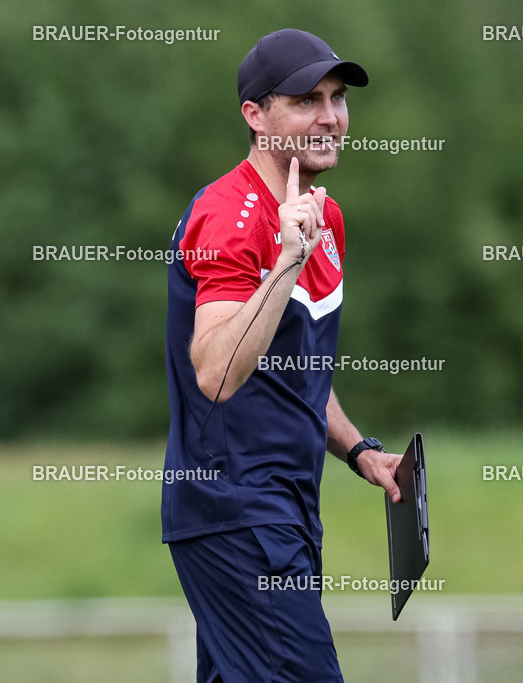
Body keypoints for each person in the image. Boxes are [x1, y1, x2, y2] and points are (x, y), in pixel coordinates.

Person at [162, 28, 402, 682]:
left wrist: (360, 450)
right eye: (305, 101)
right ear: (255, 115)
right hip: (235, 513)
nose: (330, 117)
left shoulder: (325, 218)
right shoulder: (230, 215)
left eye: (338, 98)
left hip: (286, 509)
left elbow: (296, 371)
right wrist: (285, 261)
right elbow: (215, 371)